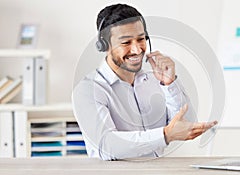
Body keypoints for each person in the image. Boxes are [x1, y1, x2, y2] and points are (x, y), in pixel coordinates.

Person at [72, 3, 217, 160]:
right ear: (104, 45)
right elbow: (107, 146)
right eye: (126, 42)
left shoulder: (154, 79)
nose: (137, 49)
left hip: (156, 169)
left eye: (141, 39)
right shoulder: (88, 89)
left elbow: (187, 125)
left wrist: (170, 84)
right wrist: (165, 135)